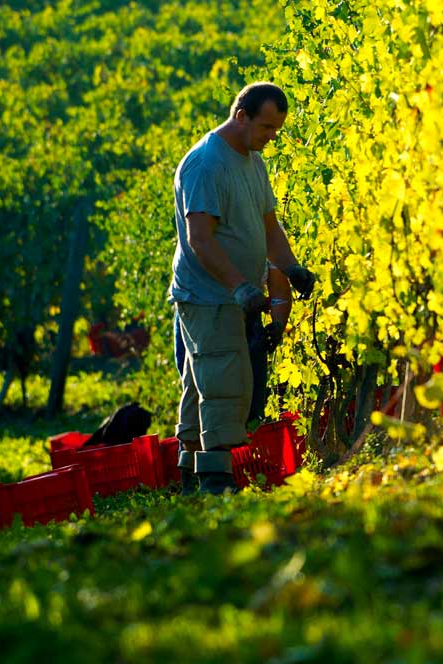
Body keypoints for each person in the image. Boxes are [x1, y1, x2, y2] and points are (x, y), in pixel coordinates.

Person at [169, 82, 315, 495]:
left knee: (204, 381)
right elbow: (200, 240)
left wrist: (291, 267)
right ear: (242, 117)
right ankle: (216, 486)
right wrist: (238, 287)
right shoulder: (206, 164)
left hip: (232, 294)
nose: (272, 137)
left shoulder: (251, 160)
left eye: (277, 129)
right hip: (208, 294)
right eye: (266, 127)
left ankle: (189, 476)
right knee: (223, 383)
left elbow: (268, 224)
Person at [173, 263, 292, 425]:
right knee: (202, 400)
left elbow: (279, 288)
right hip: (199, 310)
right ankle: (203, 444)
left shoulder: (269, 238)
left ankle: (245, 440)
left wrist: (278, 324)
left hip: (247, 314)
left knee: (251, 405)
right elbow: (200, 245)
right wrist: (241, 289)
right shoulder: (205, 237)